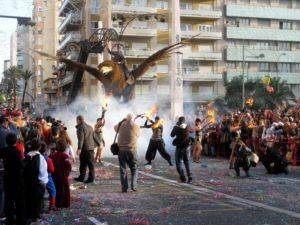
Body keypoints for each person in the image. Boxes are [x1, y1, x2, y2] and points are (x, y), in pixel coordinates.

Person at [0, 133, 25, 225]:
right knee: (19, 201)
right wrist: (26, 160)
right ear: (16, 141)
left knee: (9, 200)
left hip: (7, 177)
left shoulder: (3, 150)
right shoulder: (16, 151)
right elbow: (21, 165)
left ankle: (9, 220)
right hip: (17, 179)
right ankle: (20, 220)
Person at [23, 139, 48, 222]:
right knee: (37, 200)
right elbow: (42, 171)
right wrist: (43, 182)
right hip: (37, 182)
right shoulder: (40, 157)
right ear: (40, 147)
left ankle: (28, 214)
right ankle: (36, 215)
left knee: (28, 198)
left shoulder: (27, 155)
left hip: (27, 182)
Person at [114, 114, 140, 193]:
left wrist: (121, 121)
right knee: (134, 168)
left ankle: (124, 188)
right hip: (132, 150)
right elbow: (138, 135)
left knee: (123, 169)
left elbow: (115, 128)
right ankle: (134, 186)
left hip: (121, 150)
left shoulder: (120, 125)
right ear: (132, 119)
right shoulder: (136, 126)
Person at [74, 115, 97, 183]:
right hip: (91, 148)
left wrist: (79, 148)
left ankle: (86, 178)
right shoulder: (90, 127)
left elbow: (81, 139)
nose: (76, 121)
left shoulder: (80, 127)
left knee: (83, 164)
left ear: (78, 120)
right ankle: (88, 178)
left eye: (76, 120)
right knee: (90, 164)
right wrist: (98, 143)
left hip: (84, 149)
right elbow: (94, 136)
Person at [171, 116, 193, 183]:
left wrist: (175, 126)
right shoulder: (188, 126)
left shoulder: (176, 128)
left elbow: (172, 135)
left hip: (179, 148)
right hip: (187, 148)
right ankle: (190, 177)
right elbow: (191, 131)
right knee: (186, 162)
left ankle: (183, 177)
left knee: (178, 163)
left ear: (179, 121)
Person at [52, 140, 72, 208]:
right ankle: (65, 204)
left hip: (55, 175)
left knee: (57, 188)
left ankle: (58, 203)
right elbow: (68, 166)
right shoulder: (65, 156)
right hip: (63, 175)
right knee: (65, 189)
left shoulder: (54, 155)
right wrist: (67, 173)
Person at [39, 142, 57, 211]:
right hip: (47, 176)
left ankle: (40, 207)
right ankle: (52, 205)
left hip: (38, 176)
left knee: (40, 193)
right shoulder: (48, 159)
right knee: (53, 190)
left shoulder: (36, 157)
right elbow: (52, 169)